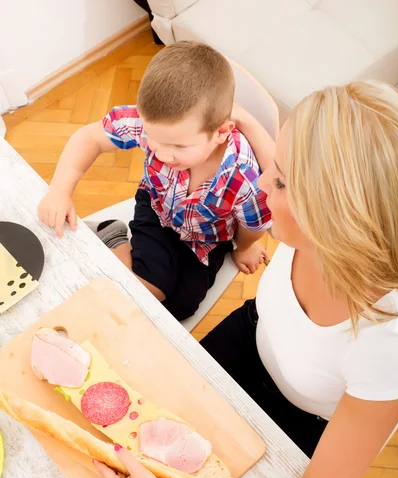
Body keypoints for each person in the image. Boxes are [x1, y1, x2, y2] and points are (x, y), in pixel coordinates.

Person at [94, 81, 398, 478]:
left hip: (296, 420)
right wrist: (244, 117)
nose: (260, 181)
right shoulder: (317, 233)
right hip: (248, 333)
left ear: (334, 219)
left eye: (279, 179)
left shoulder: (386, 342)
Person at [38, 41, 272, 321]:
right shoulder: (151, 122)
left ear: (221, 132)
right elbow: (89, 138)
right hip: (158, 211)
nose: (160, 153)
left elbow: (253, 224)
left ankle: (118, 245)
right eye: (152, 138)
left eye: (178, 147)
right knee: (150, 290)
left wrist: (244, 247)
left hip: (207, 239)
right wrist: (60, 190)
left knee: (182, 309)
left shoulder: (244, 177)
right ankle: (113, 236)